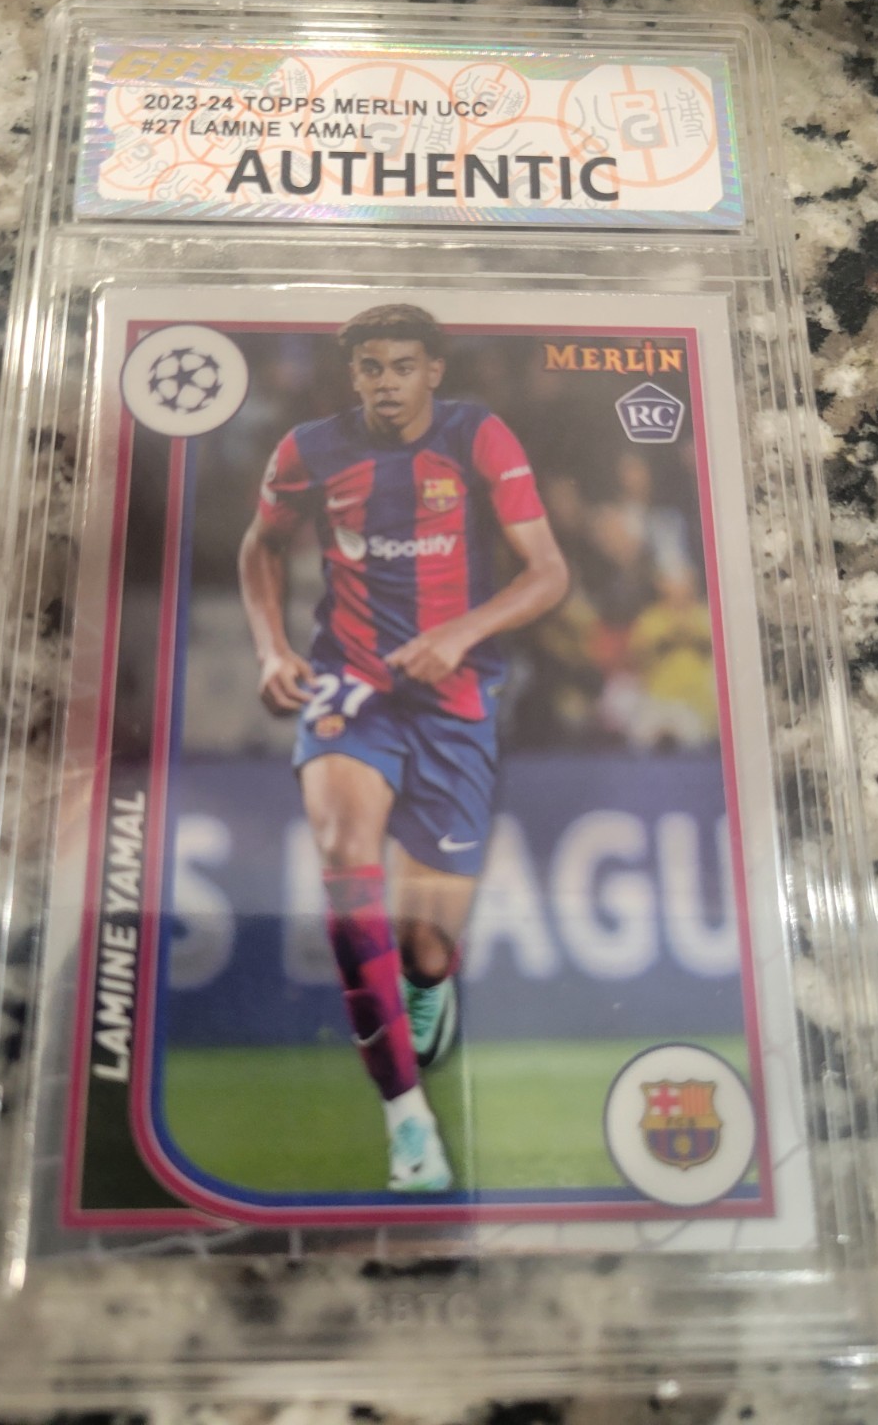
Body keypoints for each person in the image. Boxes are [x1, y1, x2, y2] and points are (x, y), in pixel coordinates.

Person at [238, 305, 568, 1193]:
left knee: (426, 947)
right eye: (371, 367)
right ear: (354, 374)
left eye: (403, 366)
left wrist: (461, 633)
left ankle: (428, 982)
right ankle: (408, 1121)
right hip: (350, 686)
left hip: (456, 700)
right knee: (345, 855)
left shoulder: (478, 438)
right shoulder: (308, 451)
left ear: (434, 372)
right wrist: (271, 649)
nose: (386, 382)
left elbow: (548, 573)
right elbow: (262, 546)